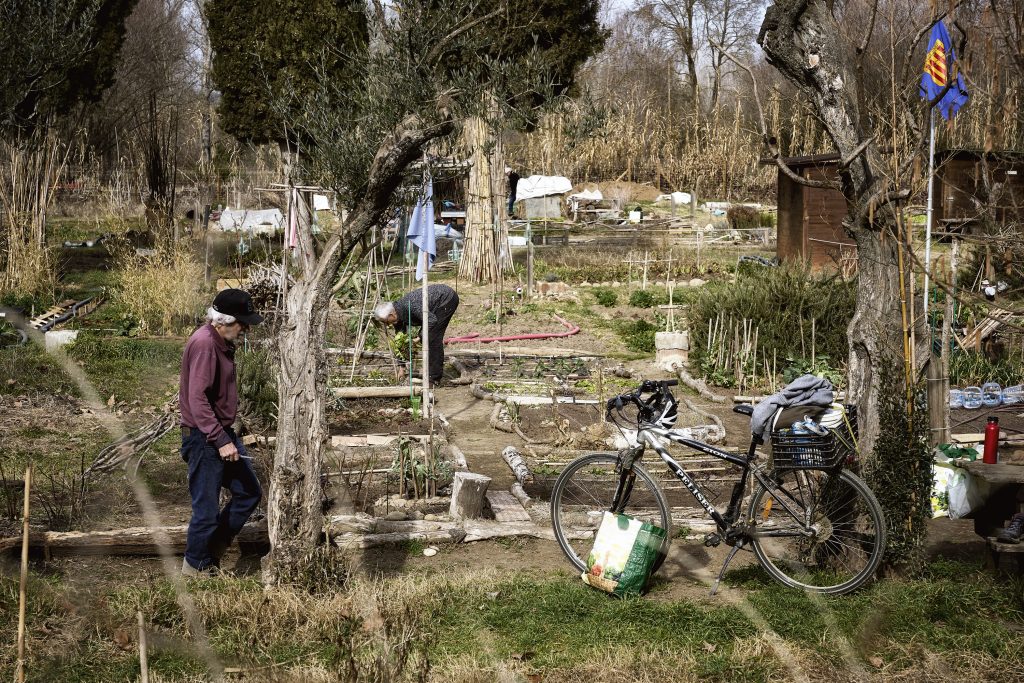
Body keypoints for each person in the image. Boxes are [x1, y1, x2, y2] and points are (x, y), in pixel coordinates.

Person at [179, 288, 264, 576]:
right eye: (242, 323)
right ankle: (194, 570)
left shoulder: (218, 341)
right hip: (206, 438)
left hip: (220, 434)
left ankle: (211, 553)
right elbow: (197, 399)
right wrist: (219, 440)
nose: (246, 329)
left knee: (248, 492)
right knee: (205, 509)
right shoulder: (205, 344)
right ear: (224, 321)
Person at [374, 284, 460, 387]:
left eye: (386, 321)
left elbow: (431, 320)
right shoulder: (398, 316)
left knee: (432, 338)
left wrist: (419, 338)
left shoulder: (410, 306)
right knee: (425, 336)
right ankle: (430, 372)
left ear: (392, 315)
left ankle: (434, 379)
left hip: (446, 299)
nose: (387, 324)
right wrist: (401, 367)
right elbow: (400, 343)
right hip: (434, 305)